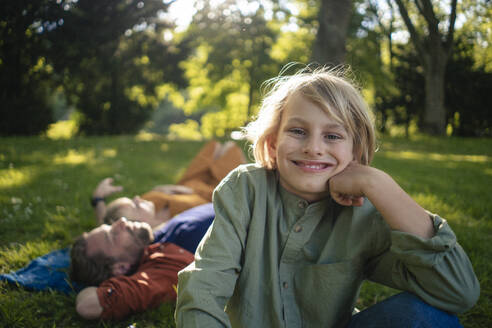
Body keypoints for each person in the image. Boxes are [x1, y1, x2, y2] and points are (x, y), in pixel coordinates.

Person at [175, 66, 480, 327]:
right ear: (271, 144)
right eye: (297, 131)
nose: (314, 148)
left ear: (355, 152)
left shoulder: (367, 214)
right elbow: (204, 285)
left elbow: (457, 292)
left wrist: (378, 184)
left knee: (424, 317)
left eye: (332, 136)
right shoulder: (245, 190)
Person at [70, 203, 215, 320]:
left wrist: (99, 201)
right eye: (113, 234)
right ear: (120, 268)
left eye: (110, 226)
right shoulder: (159, 270)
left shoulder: (149, 240)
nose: (120, 222)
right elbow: (88, 305)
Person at [91, 140, 245, 228]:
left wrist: (98, 199)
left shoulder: (147, 204)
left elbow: (104, 224)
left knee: (216, 146)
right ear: (139, 227)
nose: (137, 198)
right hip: (217, 190)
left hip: (189, 182)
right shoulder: (166, 228)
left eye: (132, 199)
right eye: (135, 205)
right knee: (231, 148)